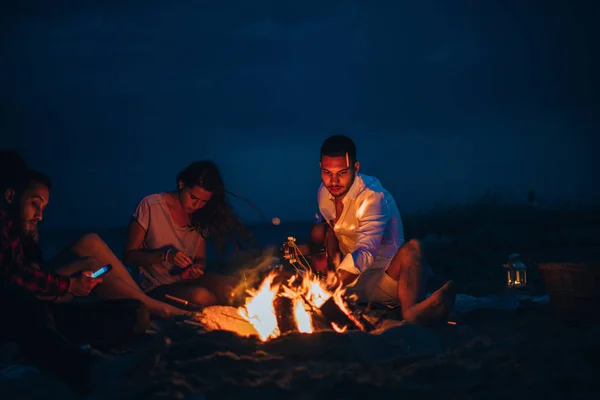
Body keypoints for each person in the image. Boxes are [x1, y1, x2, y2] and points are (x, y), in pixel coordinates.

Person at [0, 153, 152, 394]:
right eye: (33, 203)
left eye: (43, 207)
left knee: (134, 313)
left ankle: (43, 347)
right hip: (20, 312)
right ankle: (86, 369)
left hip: (38, 313)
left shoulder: (17, 232)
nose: (39, 214)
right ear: (11, 195)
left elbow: (30, 268)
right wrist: (68, 285)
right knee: (28, 305)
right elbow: (13, 277)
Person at [309, 135, 456, 325]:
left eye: (342, 173)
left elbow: (365, 251)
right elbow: (332, 233)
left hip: (386, 280)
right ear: (321, 166)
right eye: (327, 172)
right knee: (320, 231)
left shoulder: (373, 197)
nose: (334, 181)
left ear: (356, 168)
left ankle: (412, 312)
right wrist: (329, 274)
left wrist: (332, 284)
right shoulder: (324, 193)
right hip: (351, 285)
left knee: (414, 248)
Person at [124, 161, 251, 308]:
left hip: (186, 281)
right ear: (181, 184)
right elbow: (129, 256)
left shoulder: (201, 215)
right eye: (193, 197)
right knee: (202, 297)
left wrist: (197, 268)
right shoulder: (151, 205)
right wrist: (166, 255)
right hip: (155, 286)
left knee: (235, 287)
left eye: (204, 201)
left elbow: (200, 259)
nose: (197, 205)